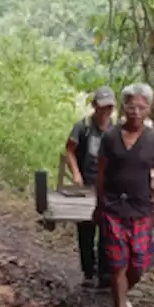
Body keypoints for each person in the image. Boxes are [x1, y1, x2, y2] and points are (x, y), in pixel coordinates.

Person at [93, 83, 154, 307]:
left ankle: (125, 296)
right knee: (117, 263)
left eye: (141, 106)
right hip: (113, 206)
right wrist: (98, 205)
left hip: (141, 207)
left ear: (148, 108)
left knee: (140, 262)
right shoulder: (111, 137)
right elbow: (101, 172)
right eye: (131, 106)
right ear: (124, 107)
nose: (136, 111)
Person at [64, 87, 115, 289]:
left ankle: (104, 274)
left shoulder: (116, 129)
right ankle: (88, 272)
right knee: (86, 230)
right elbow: (69, 150)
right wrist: (76, 173)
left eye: (109, 107)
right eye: (102, 106)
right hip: (86, 184)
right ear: (95, 106)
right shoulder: (83, 126)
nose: (106, 110)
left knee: (107, 230)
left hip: (109, 187)